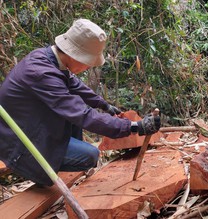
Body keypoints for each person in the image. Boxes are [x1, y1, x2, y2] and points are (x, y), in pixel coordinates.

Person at [0, 19, 160, 186]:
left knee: (73, 120)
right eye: (87, 62)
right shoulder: (42, 73)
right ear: (73, 54)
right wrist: (134, 127)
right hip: (18, 143)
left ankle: (58, 157)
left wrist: (104, 105)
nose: (87, 67)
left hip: (34, 126)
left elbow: (76, 86)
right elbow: (83, 115)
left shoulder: (49, 58)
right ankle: (40, 169)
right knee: (90, 156)